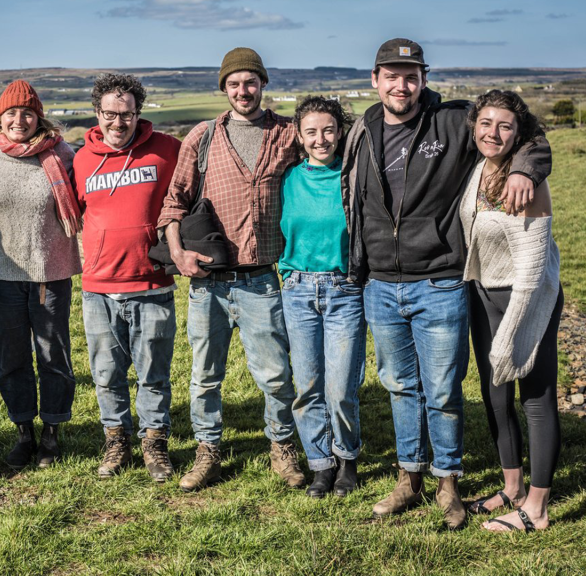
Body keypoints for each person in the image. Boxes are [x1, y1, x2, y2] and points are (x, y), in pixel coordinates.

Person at [340, 39, 552, 529]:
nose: (401, 84)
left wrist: (522, 167)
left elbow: (528, 135)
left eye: (411, 75)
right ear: (375, 79)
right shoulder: (364, 129)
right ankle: (408, 478)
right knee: (400, 387)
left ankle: (448, 484)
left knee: (442, 390)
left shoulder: (454, 120)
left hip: (438, 281)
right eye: (391, 75)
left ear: (424, 79)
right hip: (381, 284)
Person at [158, 47, 305, 492]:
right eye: (234, 83)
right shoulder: (201, 138)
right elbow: (173, 203)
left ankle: (282, 446)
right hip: (208, 282)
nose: (243, 90)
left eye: (251, 82)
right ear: (223, 88)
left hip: (262, 278)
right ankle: (208, 451)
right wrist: (179, 254)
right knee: (205, 374)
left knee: (276, 373)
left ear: (263, 84)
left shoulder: (288, 135)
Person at [459, 91, 562, 533]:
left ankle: (536, 508)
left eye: (504, 126)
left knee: (535, 396)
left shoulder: (528, 180)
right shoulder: (478, 167)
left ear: (519, 133)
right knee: (495, 394)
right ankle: (512, 487)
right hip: (485, 295)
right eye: (485, 123)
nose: (492, 133)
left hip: (528, 296)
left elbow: (533, 266)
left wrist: (513, 329)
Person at [74, 73, 181, 483]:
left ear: (139, 113)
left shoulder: (167, 150)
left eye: (128, 114)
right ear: (97, 113)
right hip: (98, 287)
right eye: (110, 114)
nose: (119, 123)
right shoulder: (81, 159)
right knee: (106, 373)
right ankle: (116, 441)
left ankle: (154, 445)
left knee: (153, 372)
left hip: (152, 283)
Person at [0, 80, 81, 469]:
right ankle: (23, 431)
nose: (19, 120)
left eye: (27, 113)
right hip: (3, 275)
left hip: (50, 273)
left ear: (38, 117)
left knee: (53, 354)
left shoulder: (62, 155)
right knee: (12, 359)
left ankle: (52, 432)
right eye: (11, 113)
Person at [278, 96, 366, 499]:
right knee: (308, 384)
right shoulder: (288, 179)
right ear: (299, 135)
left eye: (328, 130)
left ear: (340, 131)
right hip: (297, 290)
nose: (321, 139)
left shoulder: (352, 177)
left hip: (343, 288)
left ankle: (347, 458)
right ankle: (320, 465)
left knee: (341, 386)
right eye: (311, 131)